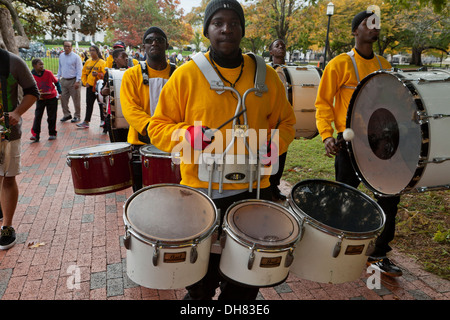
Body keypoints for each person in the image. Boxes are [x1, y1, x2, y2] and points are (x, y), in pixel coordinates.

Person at [148, 0, 296, 300]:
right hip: (200, 194)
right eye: (218, 23)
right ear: (207, 30)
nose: (226, 29)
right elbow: (157, 127)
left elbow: (287, 122)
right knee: (199, 281)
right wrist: (185, 135)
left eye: (234, 22)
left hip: (253, 193)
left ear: (242, 28)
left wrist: (274, 142)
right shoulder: (186, 75)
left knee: (245, 281)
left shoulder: (266, 76)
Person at [315, 10, 402, 277]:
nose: (375, 28)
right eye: (368, 23)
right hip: (349, 145)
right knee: (345, 198)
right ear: (355, 31)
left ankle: (378, 254)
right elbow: (323, 103)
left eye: (377, 24)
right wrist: (327, 135)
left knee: (389, 197)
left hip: (381, 144)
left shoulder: (385, 66)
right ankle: (337, 249)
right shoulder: (339, 64)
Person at [120, 26, 176, 192]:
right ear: (143, 46)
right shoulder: (131, 75)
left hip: (175, 143)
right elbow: (130, 109)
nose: (154, 43)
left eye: (159, 40)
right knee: (142, 194)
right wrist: (154, 130)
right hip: (140, 144)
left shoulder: (179, 74)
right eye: (149, 40)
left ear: (167, 45)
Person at [0, 48, 39, 250]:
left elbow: (33, 91)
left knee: (7, 177)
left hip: (6, 132)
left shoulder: (12, 62)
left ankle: (7, 226)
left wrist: (17, 112)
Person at [267, 38, 291, 201]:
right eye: (277, 46)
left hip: (283, 117)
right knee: (267, 151)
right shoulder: (265, 70)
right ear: (271, 52)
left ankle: (274, 185)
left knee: (281, 152)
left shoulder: (290, 71)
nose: (281, 47)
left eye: (282, 46)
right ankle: (265, 184)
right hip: (268, 117)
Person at [101, 49, 132, 140]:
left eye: (127, 56)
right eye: (123, 57)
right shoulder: (110, 73)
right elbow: (103, 91)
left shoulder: (133, 71)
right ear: (115, 59)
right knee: (117, 143)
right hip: (114, 112)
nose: (126, 59)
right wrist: (104, 91)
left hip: (130, 111)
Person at [30, 58, 62, 142]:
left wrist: (60, 92)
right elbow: (30, 87)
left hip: (52, 97)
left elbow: (57, 82)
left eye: (42, 64)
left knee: (51, 116)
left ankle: (52, 133)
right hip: (40, 98)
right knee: (38, 116)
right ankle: (35, 135)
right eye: (40, 64)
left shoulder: (48, 73)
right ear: (34, 66)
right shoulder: (31, 75)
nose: (42, 66)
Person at [77, 45, 106, 129]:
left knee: (101, 104)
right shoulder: (88, 61)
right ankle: (86, 121)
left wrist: (98, 74)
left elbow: (105, 75)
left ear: (97, 51)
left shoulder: (102, 62)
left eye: (93, 50)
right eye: (90, 50)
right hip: (89, 86)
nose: (91, 52)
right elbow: (84, 73)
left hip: (99, 87)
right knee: (89, 104)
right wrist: (85, 82)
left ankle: (103, 120)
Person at [57, 41, 82, 123]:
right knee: (63, 99)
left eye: (68, 46)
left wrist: (78, 81)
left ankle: (77, 116)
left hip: (74, 80)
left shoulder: (76, 57)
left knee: (76, 99)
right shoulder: (61, 56)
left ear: (71, 47)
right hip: (64, 80)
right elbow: (60, 67)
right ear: (63, 47)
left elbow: (79, 70)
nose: (67, 48)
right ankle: (67, 114)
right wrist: (58, 77)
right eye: (65, 46)